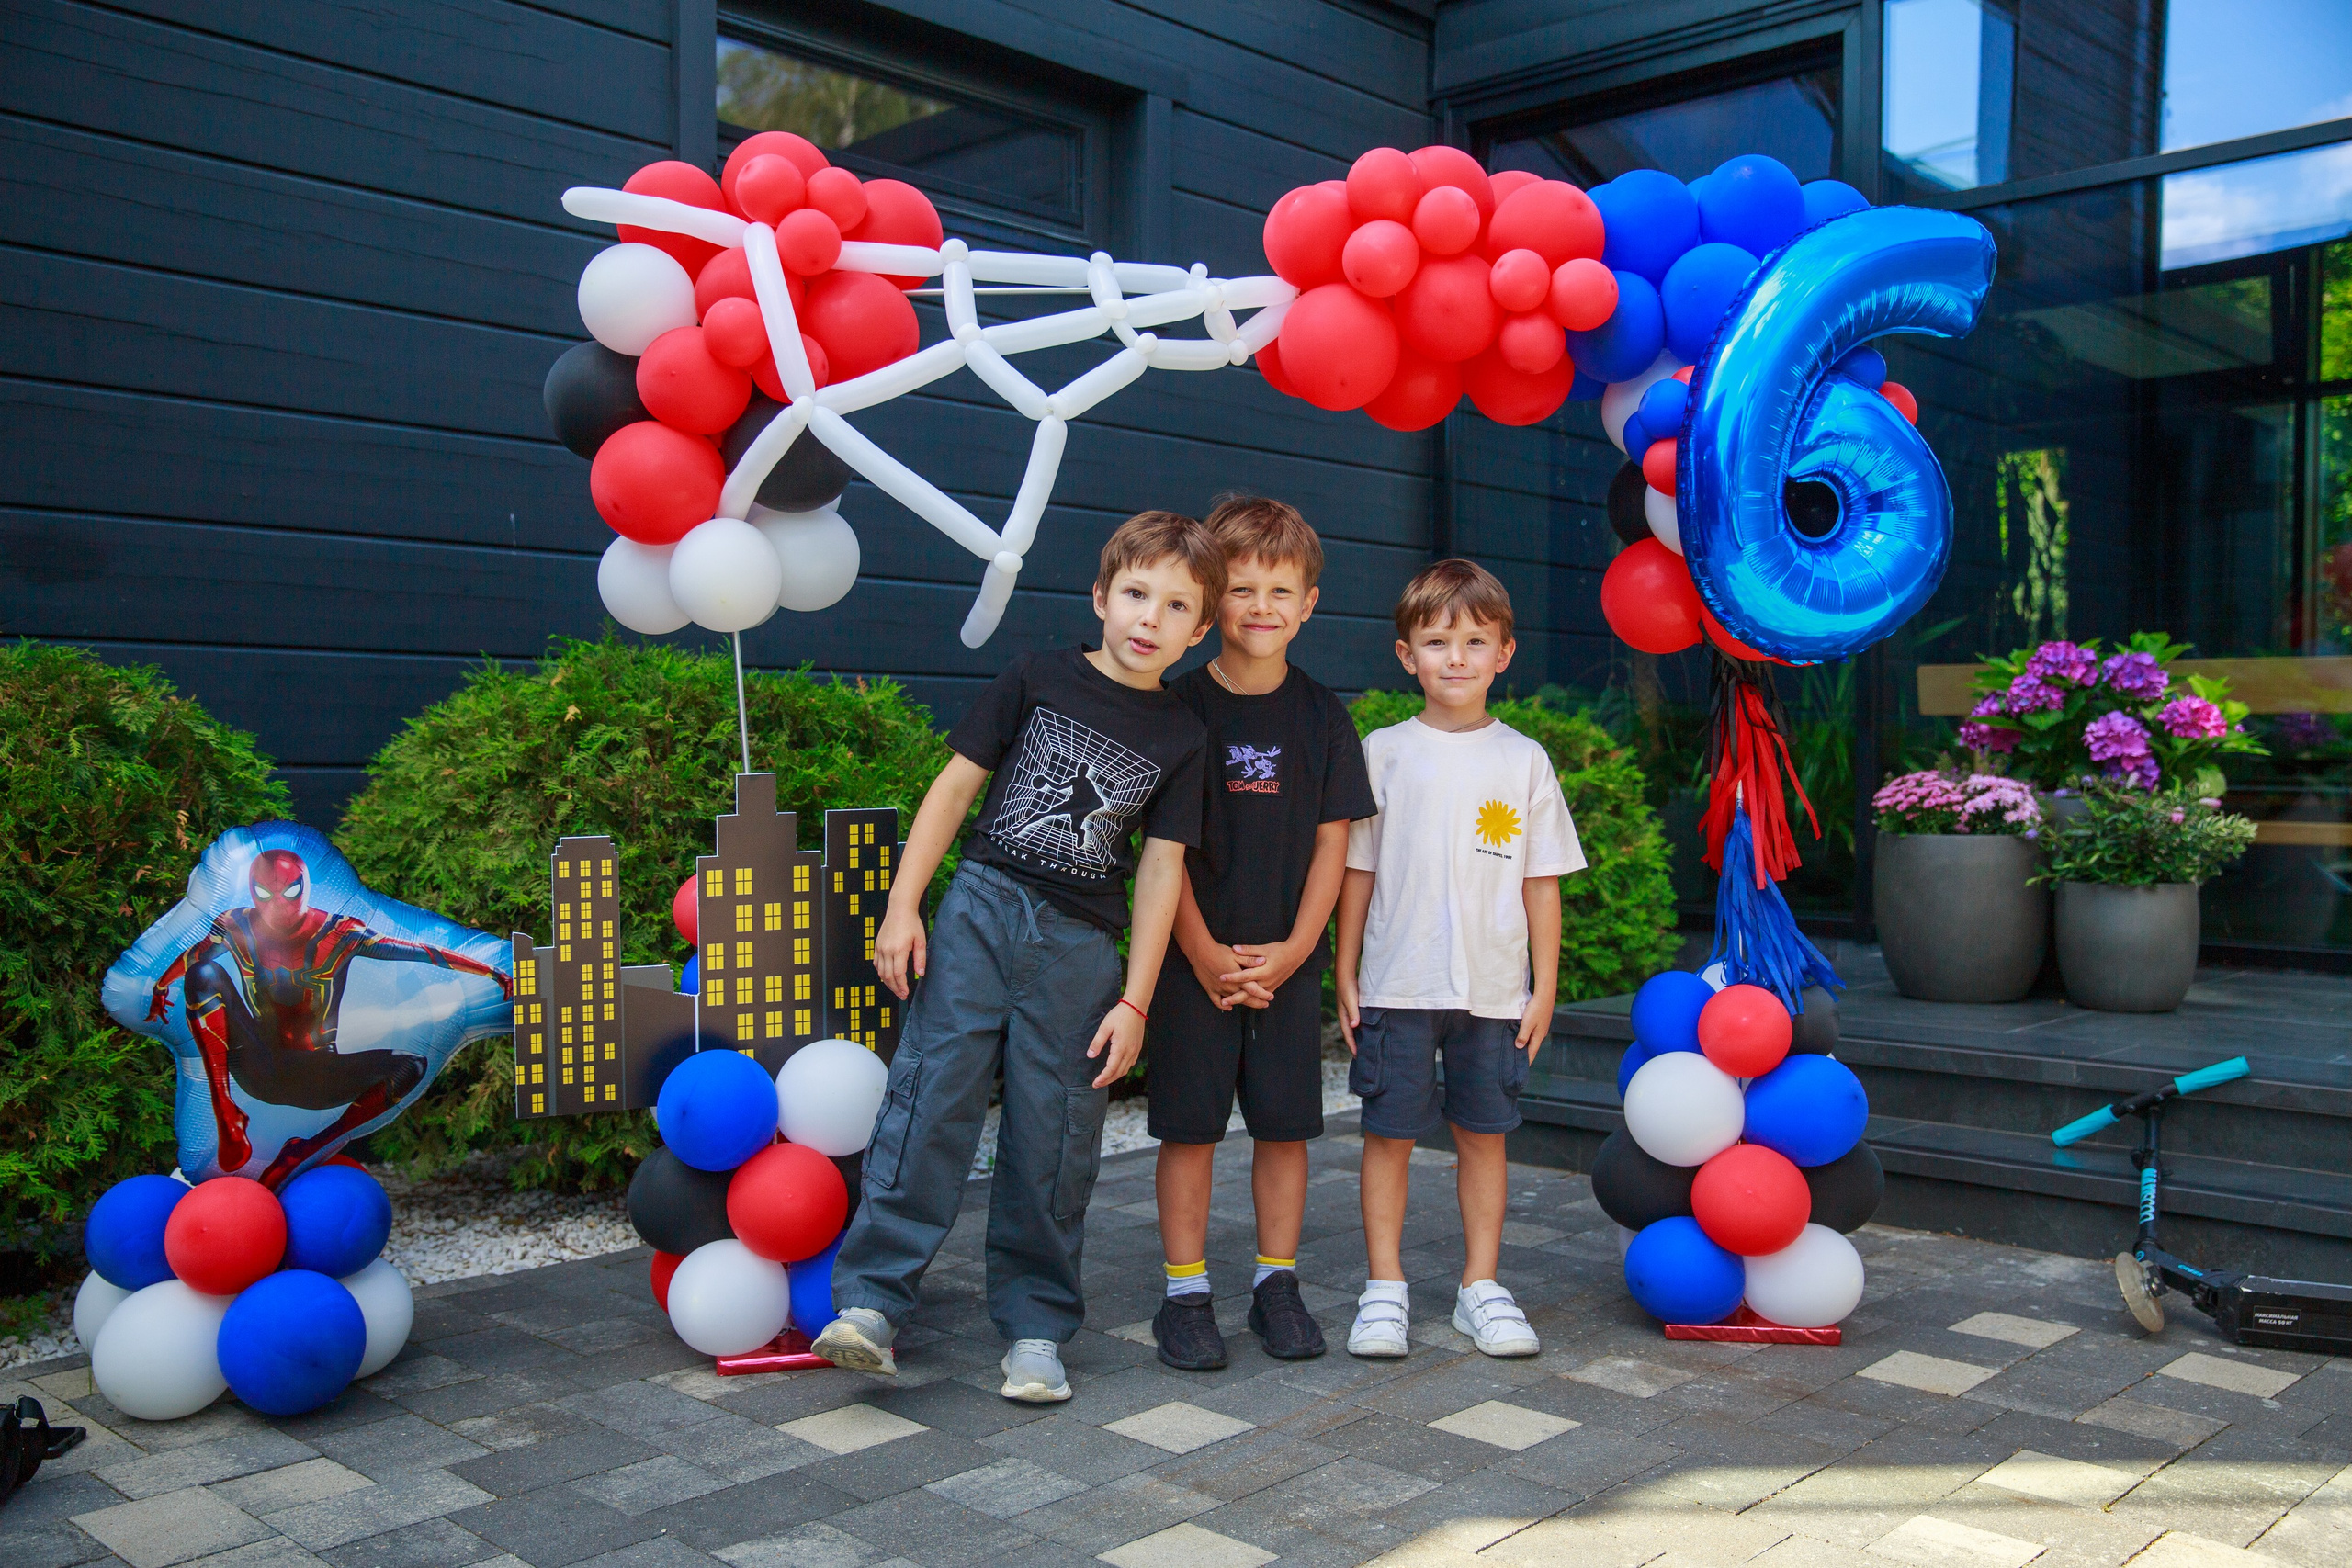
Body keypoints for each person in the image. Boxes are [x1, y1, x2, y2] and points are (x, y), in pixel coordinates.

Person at [813, 511, 1221, 1404]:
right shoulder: (1036, 676)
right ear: (1101, 596)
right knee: (930, 1099)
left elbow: (1162, 869)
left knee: (1057, 1135)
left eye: (1176, 606)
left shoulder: (1182, 736)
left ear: (1199, 632)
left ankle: (1036, 1329)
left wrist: (1136, 1000)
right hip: (981, 911)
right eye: (1137, 593)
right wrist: (903, 906)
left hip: (1081, 950)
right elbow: (954, 786)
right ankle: (872, 1302)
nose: (1150, 618)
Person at [1147, 497, 1376, 1371]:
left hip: (1287, 963)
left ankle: (1276, 1284)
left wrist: (1296, 950)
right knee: (1189, 1129)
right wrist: (1203, 952)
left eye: (1281, 590)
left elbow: (1333, 843)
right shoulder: (1177, 709)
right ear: (1212, 598)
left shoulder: (1322, 716)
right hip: (1190, 961)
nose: (1261, 606)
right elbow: (1162, 853)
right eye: (1241, 588)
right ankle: (1185, 1293)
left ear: (1309, 604)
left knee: (1284, 1128)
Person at [1334, 559, 1583, 1359]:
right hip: (1397, 984)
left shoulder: (1525, 759)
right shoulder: (1382, 752)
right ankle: (1384, 1287)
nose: (1456, 657)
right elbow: (1357, 870)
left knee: (1484, 1135)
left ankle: (1481, 1286)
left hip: (1495, 991)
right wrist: (1345, 971)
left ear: (1504, 653)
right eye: (1437, 641)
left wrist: (1544, 987)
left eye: (1476, 641)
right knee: (1388, 1136)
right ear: (1406, 654)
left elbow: (1541, 881)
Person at [146, 848, 512, 1187]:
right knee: (203, 975)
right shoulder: (235, 924)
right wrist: (162, 985)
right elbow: (195, 958)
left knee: (410, 1066)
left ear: (304, 888)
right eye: (265, 893)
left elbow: (421, 951)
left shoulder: (339, 933)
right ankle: (226, 1112)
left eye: (289, 892)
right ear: (252, 891)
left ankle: (305, 1149)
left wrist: (490, 971)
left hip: (317, 1075)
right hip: (256, 1064)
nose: (278, 905)